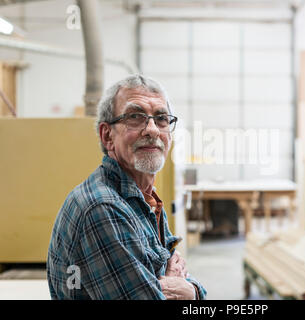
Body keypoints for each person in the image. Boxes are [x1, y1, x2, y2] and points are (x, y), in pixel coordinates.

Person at [47, 74, 207, 300]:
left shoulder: (143, 199)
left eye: (161, 118)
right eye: (135, 117)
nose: (152, 129)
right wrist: (191, 293)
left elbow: (175, 271)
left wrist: (190, 289)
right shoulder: (103, 208)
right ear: (107, 135)